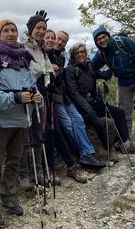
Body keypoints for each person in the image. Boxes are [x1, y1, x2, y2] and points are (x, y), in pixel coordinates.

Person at [0, 20, 41, 227]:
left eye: (13, 30)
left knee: (14, 161)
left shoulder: (22, 58)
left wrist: (36, 95)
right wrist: (15, 98)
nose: (11, 33)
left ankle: (8, 196)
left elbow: (32, 85)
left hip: (22, 120)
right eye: (6, 30)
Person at [66, 43, 135, 158]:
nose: (80, 54)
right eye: (77, 53)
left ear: (85, 53)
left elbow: (94, 87)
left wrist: (101, 100)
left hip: (93, 102)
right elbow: (74, 93)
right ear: (73, 55)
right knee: (99, 123)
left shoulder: (89, 67)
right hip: (81, 107)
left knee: (119, 113)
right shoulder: (70, 70)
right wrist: (88, 108)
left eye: (82, 52)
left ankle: (125, 144)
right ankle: (109, 149)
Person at [43, 30, 88, 183]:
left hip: (52, 98)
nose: (54, 41)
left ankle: (71, 164)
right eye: (48, 38)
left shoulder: (58, 57)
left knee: (57, 130)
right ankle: (49, 168)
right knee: (48, 131)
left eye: (53, 38)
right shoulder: (39, 54)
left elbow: (58, 81)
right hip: (40, 99)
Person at [18, 10, 53, 190]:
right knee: (24, 136)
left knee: (39, 134)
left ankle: (38, 171)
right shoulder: (22, 45)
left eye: (44, 28)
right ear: (31, 29)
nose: (41, 31)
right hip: (26, 94)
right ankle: (23, 174)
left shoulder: (41, 49)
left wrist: (47, 84)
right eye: (37, 28)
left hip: (41, 96)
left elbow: (46, 70)